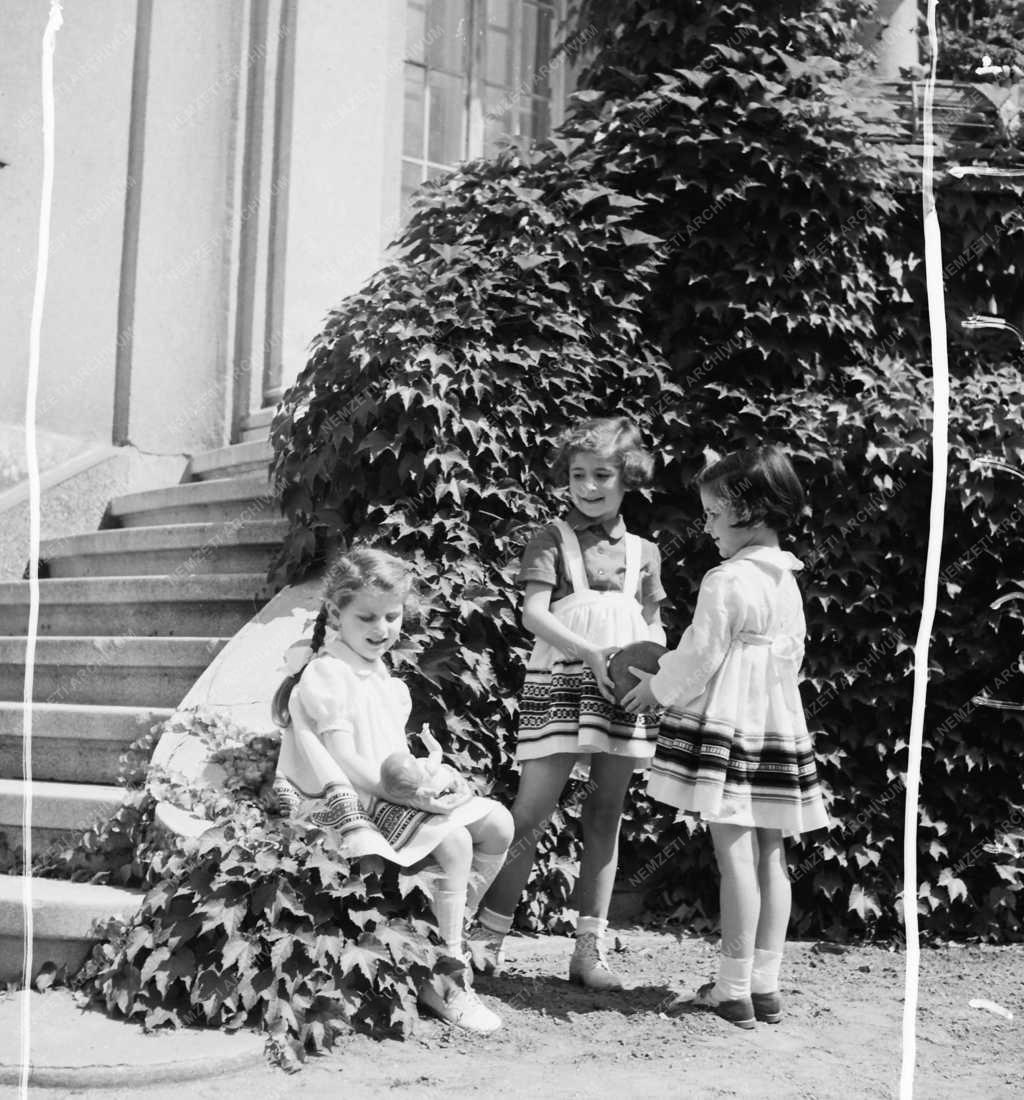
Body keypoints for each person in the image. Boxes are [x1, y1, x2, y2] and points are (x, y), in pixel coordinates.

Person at [623, 445, 829, 1028]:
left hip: (732, 731)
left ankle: (733, 989)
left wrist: (656, 689)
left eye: (714, 513)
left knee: (733, 851)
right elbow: (792, 657)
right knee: (771, 854)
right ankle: (765, 985)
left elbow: (701, 654)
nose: (707, 526)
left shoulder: (726, 579)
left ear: (751, 511)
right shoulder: (786, 579)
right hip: (775, 728)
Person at [271, 547, 514, 1034]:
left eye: (391, 616)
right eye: (366, 617)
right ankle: (446, 976)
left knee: (499, 824)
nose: (381, 628)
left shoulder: (378, 672)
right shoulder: (328, 673)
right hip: (348, 801)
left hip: (387, 790)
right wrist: (405, 795)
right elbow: (345, 760)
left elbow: (391, 753)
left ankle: (449, 931)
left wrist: (429, 777)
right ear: (335, 613)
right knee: (454, 840)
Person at [470, 417, 667, 989]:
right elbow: (534, 613)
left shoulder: (645, 552)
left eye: (602, 474)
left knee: (606, 813)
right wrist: (589, 653)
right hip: (560, 681)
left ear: (628, 477)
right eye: (578, 474)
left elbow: (653, 626)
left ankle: (588, 951)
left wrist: (651, 673)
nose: (588, 486)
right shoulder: (551, 539)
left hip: (620, 694)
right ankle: (486, 941)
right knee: (529, 815)